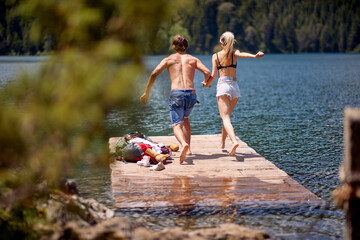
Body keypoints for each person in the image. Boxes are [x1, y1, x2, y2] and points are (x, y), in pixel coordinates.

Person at [140, 35, 211, 164]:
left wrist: (146, 92)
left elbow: (154, 73)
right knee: (185, 119)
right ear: (187, 46)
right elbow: (207, 72)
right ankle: (188, 149)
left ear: (173, 46)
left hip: (177, 94)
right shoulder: (193, 59)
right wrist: (206, 82)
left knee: (176, 124)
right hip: (191, 94)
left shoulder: (169, 59)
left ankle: (183, 143)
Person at [202, 31, 264, 155]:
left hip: (223, 86)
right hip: (235, 87)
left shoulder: (216, 56)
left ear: (221, 42)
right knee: (227, 117)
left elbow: (214, 76)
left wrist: (207, 83)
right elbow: (243, 55)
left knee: (225, 117)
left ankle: (234, 141)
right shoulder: (234, 53)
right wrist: (255, 56)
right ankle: (222, 143)